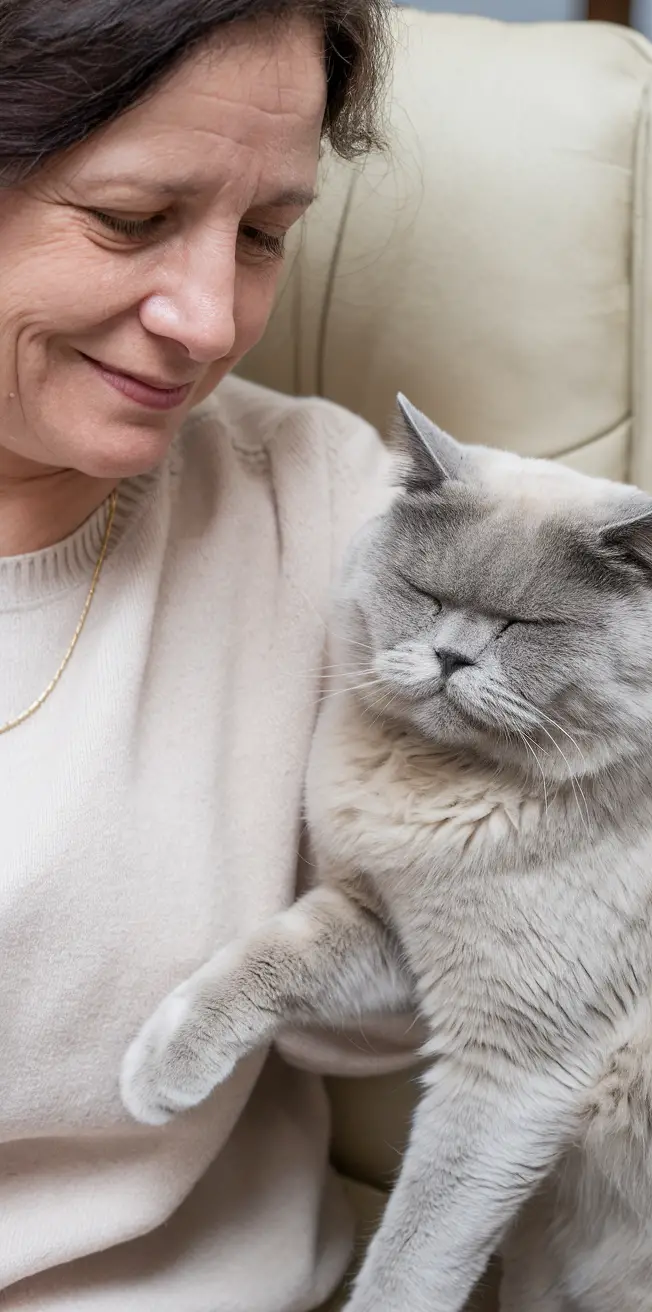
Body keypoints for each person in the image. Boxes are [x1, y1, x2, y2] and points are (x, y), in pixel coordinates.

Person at [0, 2, 415, 1307]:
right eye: (129, 220)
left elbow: (398, 1014)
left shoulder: (325, 511)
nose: (208, 318)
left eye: (263, 236)